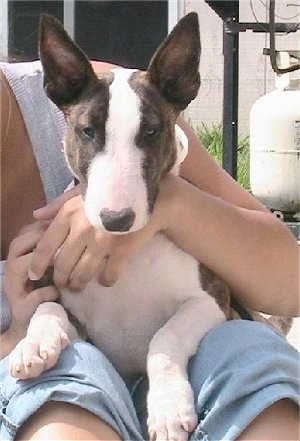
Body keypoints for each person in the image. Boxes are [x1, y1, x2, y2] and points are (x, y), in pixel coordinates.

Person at [0, 57, 299, 441]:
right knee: (60, 407)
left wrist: (174, 203)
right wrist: (18, 335)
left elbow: (290, 280)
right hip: (63, 390)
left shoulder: (117, 94)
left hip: (197, 364)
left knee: (249, 365)